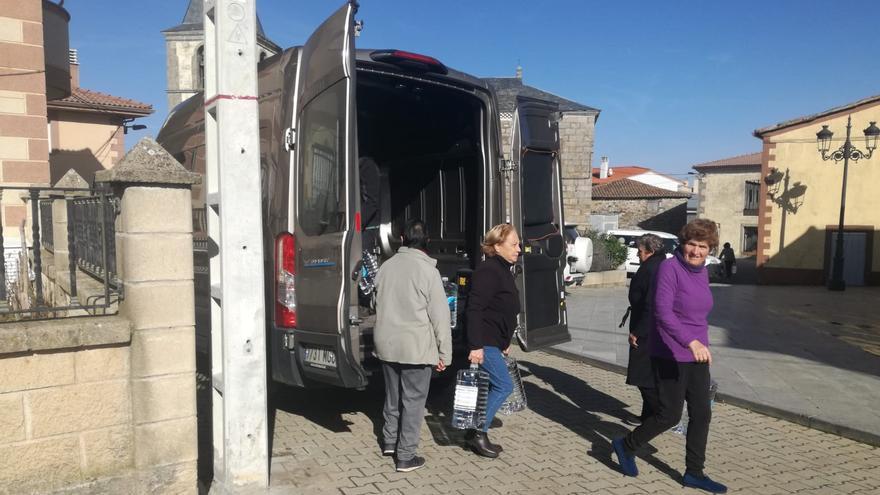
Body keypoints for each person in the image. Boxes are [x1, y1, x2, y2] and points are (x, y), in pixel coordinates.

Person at [612, 219, 728, 494]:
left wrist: (703, 345)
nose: (696, 251)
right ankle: (625, 445)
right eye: (691, 244)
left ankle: (694, 473)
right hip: (670, 352)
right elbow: (662, 313)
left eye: (702, 246)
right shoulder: (669, 268)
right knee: (670, 415)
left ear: (710, 248)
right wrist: (691, 343)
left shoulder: (702, 271)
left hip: (697, 354)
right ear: (682, 244)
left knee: (702, 414)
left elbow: (698, 315)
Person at [374, 219, 452, 473]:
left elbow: (376, 303)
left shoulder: (385, 267)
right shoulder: (428, 271)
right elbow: (440, 316)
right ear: (426, 240)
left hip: (386, 344)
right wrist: (444, 354)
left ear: (402, 239)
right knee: (414, 401)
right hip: (416, 347)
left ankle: (389, 441)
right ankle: (406, 456)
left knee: (392, 397)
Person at [464, 223, 522, 458]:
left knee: (490, 387)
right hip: (484, 341)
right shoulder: (489, 271)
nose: (519, 249)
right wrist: (476, 345)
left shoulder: (503, 269)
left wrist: (505, 339)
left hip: (494, 341)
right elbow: (475, 309)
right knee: (504, 385)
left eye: (518, 244)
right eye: (514, 244)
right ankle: (478, 434)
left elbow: (503, 309)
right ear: (497, 246)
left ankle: (473, 433)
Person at [624, 234, 666, 426]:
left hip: (647, 329)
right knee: (648, 374)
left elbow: (652, 304)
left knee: (641, 375)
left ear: (650, 251)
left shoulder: (653, 269)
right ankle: (648, 416)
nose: (638, 254)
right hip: (649, 326)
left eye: (640, 251)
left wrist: (638, 332)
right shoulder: (657, 264)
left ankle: (663, 415)